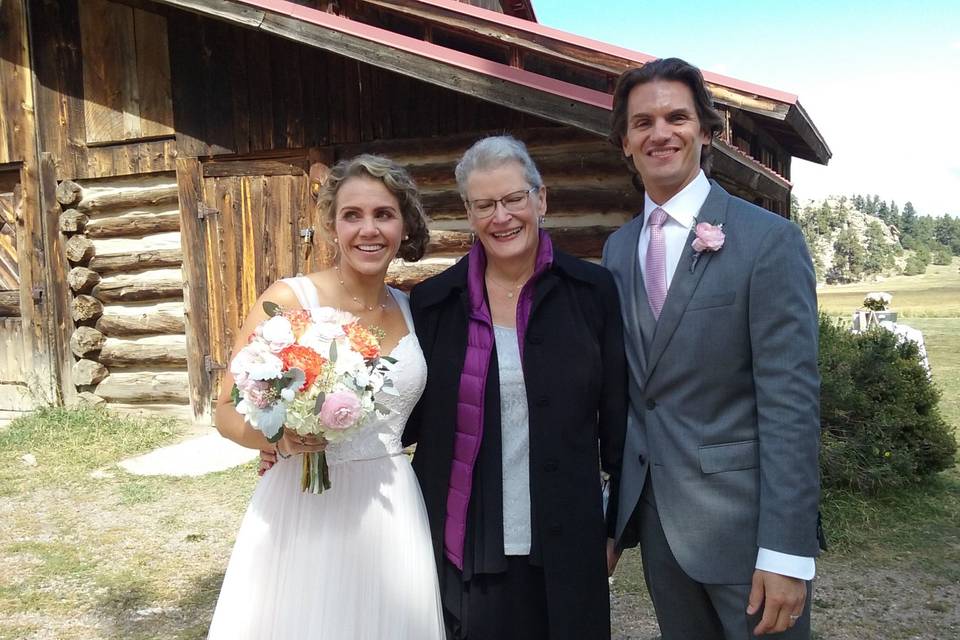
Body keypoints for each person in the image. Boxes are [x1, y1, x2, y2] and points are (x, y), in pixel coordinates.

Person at [601, 57, 822, 639]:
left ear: (705, 129)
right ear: (624, 141)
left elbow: (791, 405)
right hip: (658, 529)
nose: (660, 133)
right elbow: (629, 396)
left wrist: (786, 551)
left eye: (677, 116)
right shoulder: (618, 250)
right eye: (642, 122)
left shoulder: (768, 241)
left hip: (746, 534)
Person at [207, 155, 445, 639]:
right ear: (332, 226)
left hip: (392, 503)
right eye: (352, 215)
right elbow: (226, 409)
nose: (368, 229)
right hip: (304, 502)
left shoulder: (413, 307)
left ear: (404, 225)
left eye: (383, 214)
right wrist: (283, 439)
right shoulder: (292, 301)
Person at [403, 135, 627, 640]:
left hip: (567, 537)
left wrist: (614, 528)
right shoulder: (434, 304)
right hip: (470, 544)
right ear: (468, 212)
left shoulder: (591, 293)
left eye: (512, 199)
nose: (501, 216)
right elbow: (403, 417)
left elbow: (619, 417)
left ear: (540, 199)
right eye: (484, 204)